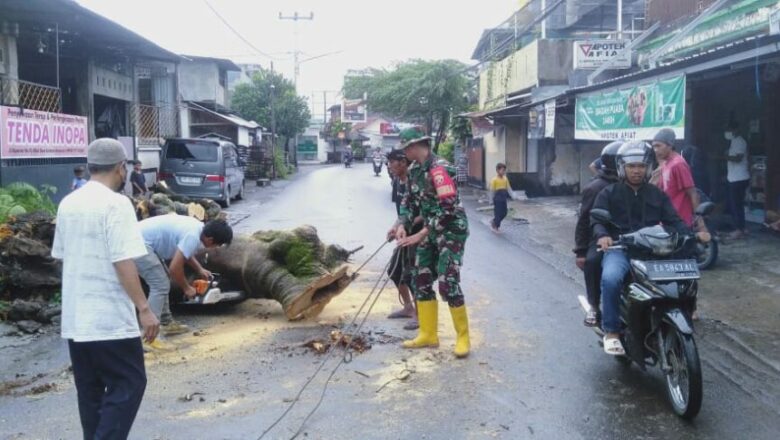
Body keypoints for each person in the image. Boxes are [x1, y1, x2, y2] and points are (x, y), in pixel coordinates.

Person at [52, 138, 159, 439]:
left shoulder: (68, 203)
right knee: (130, 382)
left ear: (89, 167)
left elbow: (62, 258)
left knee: (91, 395)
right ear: (120, 168)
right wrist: (144, 308)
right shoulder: (116, 204)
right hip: (109, 321)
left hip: (76, 322)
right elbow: (122, 261)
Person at [592, 141, 710, 356]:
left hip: (654, 250)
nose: (636, 170)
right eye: (631, 166)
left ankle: (681, 316)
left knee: (685, 275)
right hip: (622, 249)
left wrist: (693, 235)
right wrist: (603, 235)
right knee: (610, 278)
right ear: (622, 168)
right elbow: (597, 219)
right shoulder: (609, 193)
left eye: (640, 166)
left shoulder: (657, 194)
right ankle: (612, 331)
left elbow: (674, 221)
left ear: (647, 168)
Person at [394, 127, 471, 358]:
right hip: (430, 232)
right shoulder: (415, 170)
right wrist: (401, 224)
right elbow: (408, 202)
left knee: (448, 282)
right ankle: (428, 334)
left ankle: (463, 338)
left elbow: (448, 209)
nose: (404, 153)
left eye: (405, 148)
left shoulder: (440, 169)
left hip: (450, 232)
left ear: (414, 146)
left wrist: (420, 234)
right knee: (421, 278)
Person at [134, 215, 233, 339]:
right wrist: (187, 288)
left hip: (144, 241)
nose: (216, 248)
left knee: (163, 280)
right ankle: (149, 336)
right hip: (137, 243)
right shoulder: (192, 236)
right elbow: (174, 268)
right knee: (160, 284)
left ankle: (166, 322)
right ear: (210, 240)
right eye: (217, 245)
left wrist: (199, 269)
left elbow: (184, 252)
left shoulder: (197, 229)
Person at [574, 141, 621, 327]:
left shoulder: (634, 185)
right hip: (600, 235)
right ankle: (594, 305)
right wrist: (580, 251)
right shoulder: (595, 188)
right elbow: (584, 220)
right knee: (593, 262)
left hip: (631, 235)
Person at [385, 148, 421, 330]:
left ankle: (420, 315)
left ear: (403, 162)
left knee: (415, 276)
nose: (389, 166)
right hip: (403, 234)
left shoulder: (417, 181)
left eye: (392, 162)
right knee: (394, 271)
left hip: (419, 235)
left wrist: (405, 226)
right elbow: (402, 212)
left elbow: (426, 212)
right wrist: (395, 227)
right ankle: (408, 307)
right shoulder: (397, 183)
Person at [651, 128, 700, 226]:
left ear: (670, 145)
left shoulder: (678, 164)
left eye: (659, 146)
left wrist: (700, 222)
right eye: (654, 147)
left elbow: (693, 194)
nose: (656, 150)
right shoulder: (665, 164)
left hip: (680, 223)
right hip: (667, 221)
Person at [724, 122, 750, 240]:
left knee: (735, 205)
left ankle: (738, 229)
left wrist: (724, 157)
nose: (727, 132)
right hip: (734, 177)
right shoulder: (733, 141)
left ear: (736, 129)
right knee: (737, 204)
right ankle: (742, 228)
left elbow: (738, 158)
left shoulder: (740, 141)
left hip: (738, 179)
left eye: (729, 129)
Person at [489, 163, 515, 233]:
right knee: (498, 213)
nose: (503, 172)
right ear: (497, 170)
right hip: (497, 199)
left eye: (504, 170)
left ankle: (494, 221)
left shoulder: (505, 179)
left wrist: (513, 196)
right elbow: (492, 191)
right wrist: (491, 200)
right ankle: (496, 227)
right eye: (502, 170)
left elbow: (509, 188)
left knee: (504, 213)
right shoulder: (494, 180)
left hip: (503, 199)